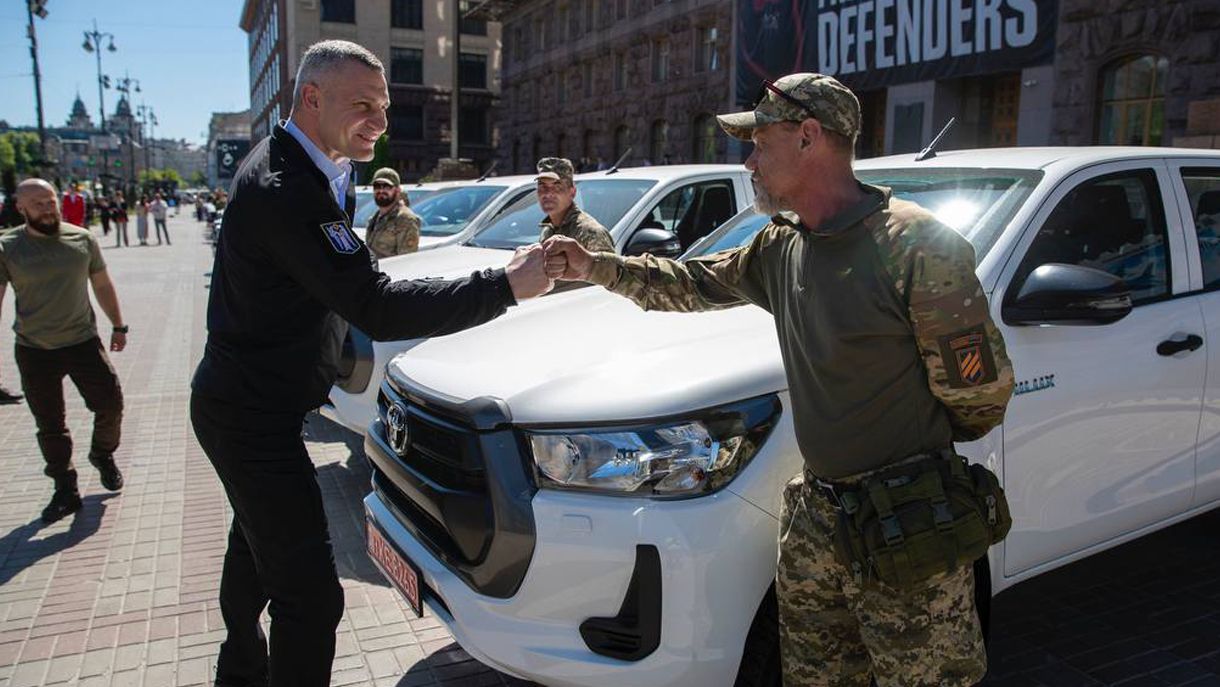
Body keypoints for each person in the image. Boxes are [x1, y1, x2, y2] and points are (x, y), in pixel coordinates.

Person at [543, 72, 1014, 687]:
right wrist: (596, 266)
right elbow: (692, 284)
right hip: (819, 516)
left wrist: (900, 447)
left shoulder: (915, 247)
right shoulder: (780, 244)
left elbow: (978, 396)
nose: (751, 161)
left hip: (908, 519)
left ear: (809, 137)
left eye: (761, 142)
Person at [189, 39, 554, 687]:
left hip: (253, 407)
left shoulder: (315, 164)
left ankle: (237, 666)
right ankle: (243, 664)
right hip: (250, 420)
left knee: (253, 551)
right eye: (362, 105)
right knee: (311, 598)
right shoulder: (285, 188)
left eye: (383, 106)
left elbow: (340, 279)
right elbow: (372, 303)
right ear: (310, 98)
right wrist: (506, 285)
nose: (380, 123)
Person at [0, 179, 127, 523]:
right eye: (37, 203)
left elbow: (101, 283)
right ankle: (65, 489)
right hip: (34, 349)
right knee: (50, 424)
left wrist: (118, 324)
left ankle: (102, 454)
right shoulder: (7, 247)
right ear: (21, 207)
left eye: (50, 200)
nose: (47, 208)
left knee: (111, 404)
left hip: (83, 342)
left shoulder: (81, 239)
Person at [535, 157, 614, 252]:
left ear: (572, 192)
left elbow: (609, 266)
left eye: (557, 186)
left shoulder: (589, 232)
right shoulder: (548, 230)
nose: (548, 193)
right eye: (542, 186)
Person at [363, 167, 420, 259]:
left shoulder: (406, 220)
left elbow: (407, 261)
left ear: (397, 190)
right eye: (377, 186)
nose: (381, 191)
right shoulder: (374, 219)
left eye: (386, 186)